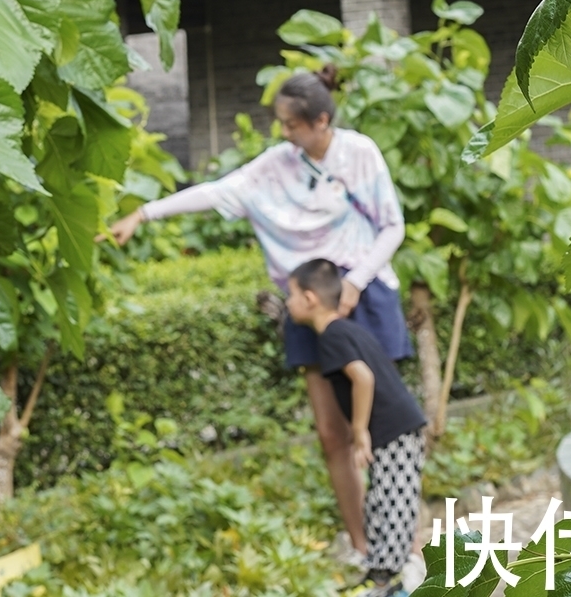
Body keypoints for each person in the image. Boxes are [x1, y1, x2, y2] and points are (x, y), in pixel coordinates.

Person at [103, 66, 414, 569]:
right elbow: (219, 191)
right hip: (307, 309)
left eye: (292, 125)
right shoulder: (276, 166)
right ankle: (364, 549)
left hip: (363, 297)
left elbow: (392, 226)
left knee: (384, 427)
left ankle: (399, 547)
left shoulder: (359, 153)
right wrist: (146, 213)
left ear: (319, 120)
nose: (285, 134)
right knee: (333, 433)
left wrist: (355, 282)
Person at [285, 257, 427, 596]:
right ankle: (383, 576)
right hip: (397, 430)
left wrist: (360, 430)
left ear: (309, 299)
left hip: (396, 431)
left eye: (290, 295)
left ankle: (390, 580)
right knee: (383, 501)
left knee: (393, 503)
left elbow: (362, 377)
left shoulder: (332, 336)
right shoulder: (343, 331)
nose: (287, 303)